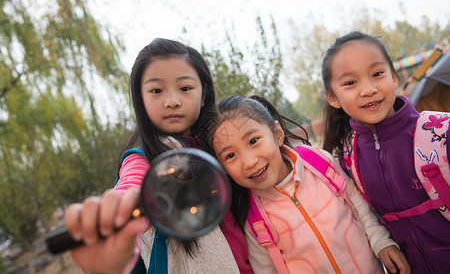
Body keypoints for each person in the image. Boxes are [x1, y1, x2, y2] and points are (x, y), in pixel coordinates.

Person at [64, 38, 252, 273]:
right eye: (156, 90)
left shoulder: (223, 144)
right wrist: (116, 211)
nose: (172, 101)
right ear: (140, 100)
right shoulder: (142, 159)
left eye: (185, 88)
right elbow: (130, 187)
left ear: (203, 94)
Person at [210, 95, 410, 274]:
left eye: (253, 141)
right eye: (230, 155)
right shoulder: (253, 218)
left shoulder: (318, 162)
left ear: (277, 134)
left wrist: (381, 242)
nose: (249, 161)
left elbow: (357, 203)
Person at [321, 31, 450, 273]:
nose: (368, 89)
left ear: (394, 78)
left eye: (377, 74)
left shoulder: (442, 132)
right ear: (333, 98)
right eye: (350, 82)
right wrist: (383, 245)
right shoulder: (349, 159)